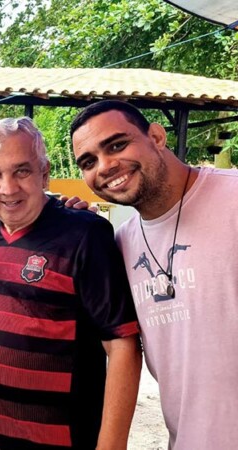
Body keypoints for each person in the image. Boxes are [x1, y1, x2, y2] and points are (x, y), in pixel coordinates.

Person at [0, 117, 141, 449]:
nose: (8, 188)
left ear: (44, 173)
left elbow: (123, 346)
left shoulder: (86, 235)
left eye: (22, 171)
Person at [70, 100, 238, 449]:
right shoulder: (121, 243)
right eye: (88, 162)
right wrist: (64, 225)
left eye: (117, 145)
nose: (105, 166)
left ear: (157, 136)